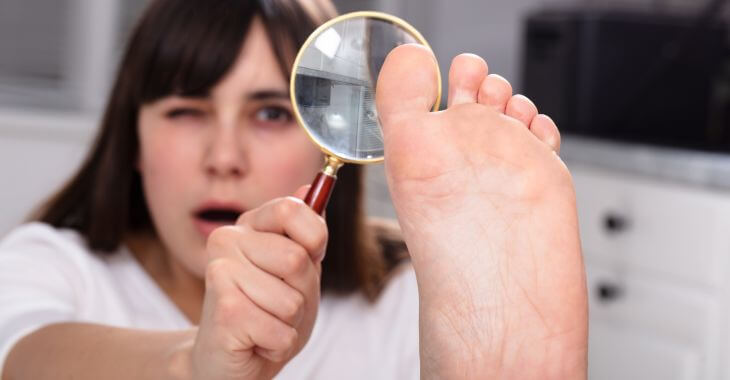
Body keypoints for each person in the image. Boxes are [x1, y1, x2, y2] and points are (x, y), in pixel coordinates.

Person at [0, 0, 587, 379]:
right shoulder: (52, 264)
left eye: (273, 114)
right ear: (132, 139)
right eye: (186, 111)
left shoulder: (408, 294)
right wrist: (192, 365)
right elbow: (22, 360)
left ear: (323, 138)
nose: (223, 159)